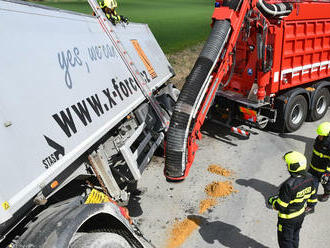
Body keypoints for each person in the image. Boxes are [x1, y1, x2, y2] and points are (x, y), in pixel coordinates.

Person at [268, 151, 316, 248]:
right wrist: (310, 206)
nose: (286, 166)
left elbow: (280, 206)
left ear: (293, 167)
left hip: (287, 219)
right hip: (300, 215)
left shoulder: (288, 185)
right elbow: (312, 196)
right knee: (295, 236)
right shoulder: (310, 178)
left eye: (288, 164)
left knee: (285, 241)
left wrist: (272, 201)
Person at [305, 122, 330, 214]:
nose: (319, 136)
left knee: (326, 184)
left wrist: (327, 172)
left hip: (324, 172)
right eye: (319, 134)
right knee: (312, 188)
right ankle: (311, 207)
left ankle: (327, 193)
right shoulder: (318, 139)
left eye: (321, 135)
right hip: (313, 169)